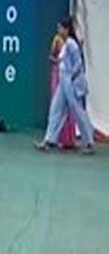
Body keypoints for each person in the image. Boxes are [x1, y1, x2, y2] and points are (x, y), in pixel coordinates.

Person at [40, 16, 93, 153]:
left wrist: (72, 78)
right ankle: (49, 140)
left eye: (60, 28)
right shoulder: (65, 44)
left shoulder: (71, 44)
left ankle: (88, 143)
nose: (58, 30)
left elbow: (78, 64)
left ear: (66, 29)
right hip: (63, 82)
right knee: (55, 109)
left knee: (78, 112)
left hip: (71, 83)